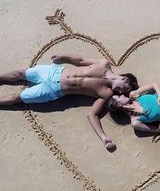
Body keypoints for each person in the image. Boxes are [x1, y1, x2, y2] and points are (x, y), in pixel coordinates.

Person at [0, 54, 138, 150]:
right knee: (20, 73)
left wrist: (103, 137)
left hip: (53, 89)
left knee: (18, 97)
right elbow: (81, 60)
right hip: (53, 72)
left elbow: (92, 115)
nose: (120, 92)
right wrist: (64, 57)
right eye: (124, 88)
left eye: (123, 92)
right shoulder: (103, 64)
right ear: (125, 78)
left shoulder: (106, 93)